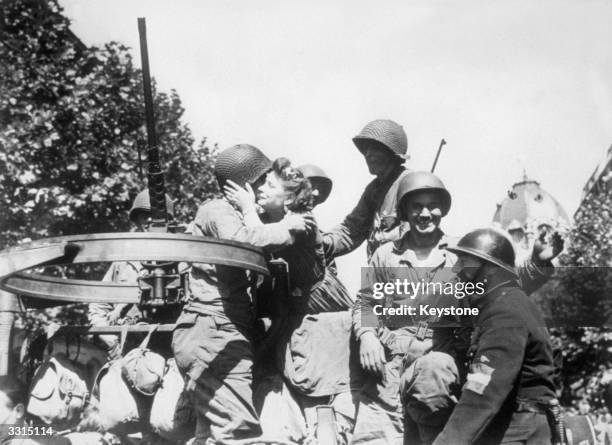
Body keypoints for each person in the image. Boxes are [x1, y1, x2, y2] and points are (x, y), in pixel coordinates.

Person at [352, 171, 563, 445]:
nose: (425, 214)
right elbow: (365, 301)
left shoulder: (460, 252)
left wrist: (537, 262)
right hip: (390, 367)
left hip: (442, 367)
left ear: (443, 209)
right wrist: (367, 335)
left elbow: (500, 285)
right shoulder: (384, 254)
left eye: (432, 205)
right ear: (404, 210)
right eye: (416, 206)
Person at [171, 144, 313, 445]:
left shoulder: (236, 216)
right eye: (262, 180)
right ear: (243, 184)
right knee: (238, 432)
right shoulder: (217, 210)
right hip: (213, 332)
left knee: (210, 433)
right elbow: (242, 242)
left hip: (219, 331)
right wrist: (287, 228)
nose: (265, 188)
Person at [225, 158, 357, 443]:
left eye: (270, 185)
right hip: (296, 325)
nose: (261, 189)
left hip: (323, 325)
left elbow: (256, 240)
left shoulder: (303, 223)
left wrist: (247, 208)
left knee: (325, 416)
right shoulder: (278, 221)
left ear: (288, 200)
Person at [430, 228, 557, 445]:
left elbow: (483, 390)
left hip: (520, 430)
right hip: (511, 425)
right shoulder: (503, 303)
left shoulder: (505, 311)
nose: (457, 269)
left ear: (489, 269)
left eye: (464, 262)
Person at [87, 189, 176, 358]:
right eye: (144, 215)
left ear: (169, 221)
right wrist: (111, 339)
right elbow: (97, 304)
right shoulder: (124, 261)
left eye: (157, 215)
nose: (150, 220)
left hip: (171, 347)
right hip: (127, 348)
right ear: (136, 221)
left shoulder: (183, 258)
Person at [323, 119, 410, 261]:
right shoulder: (373, 190)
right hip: (380, 272)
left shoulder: (409, 183)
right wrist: (320, 242)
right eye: (366, 149)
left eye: (375, 148)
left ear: (391, 153)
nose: (368, 154)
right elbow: (352, 230)